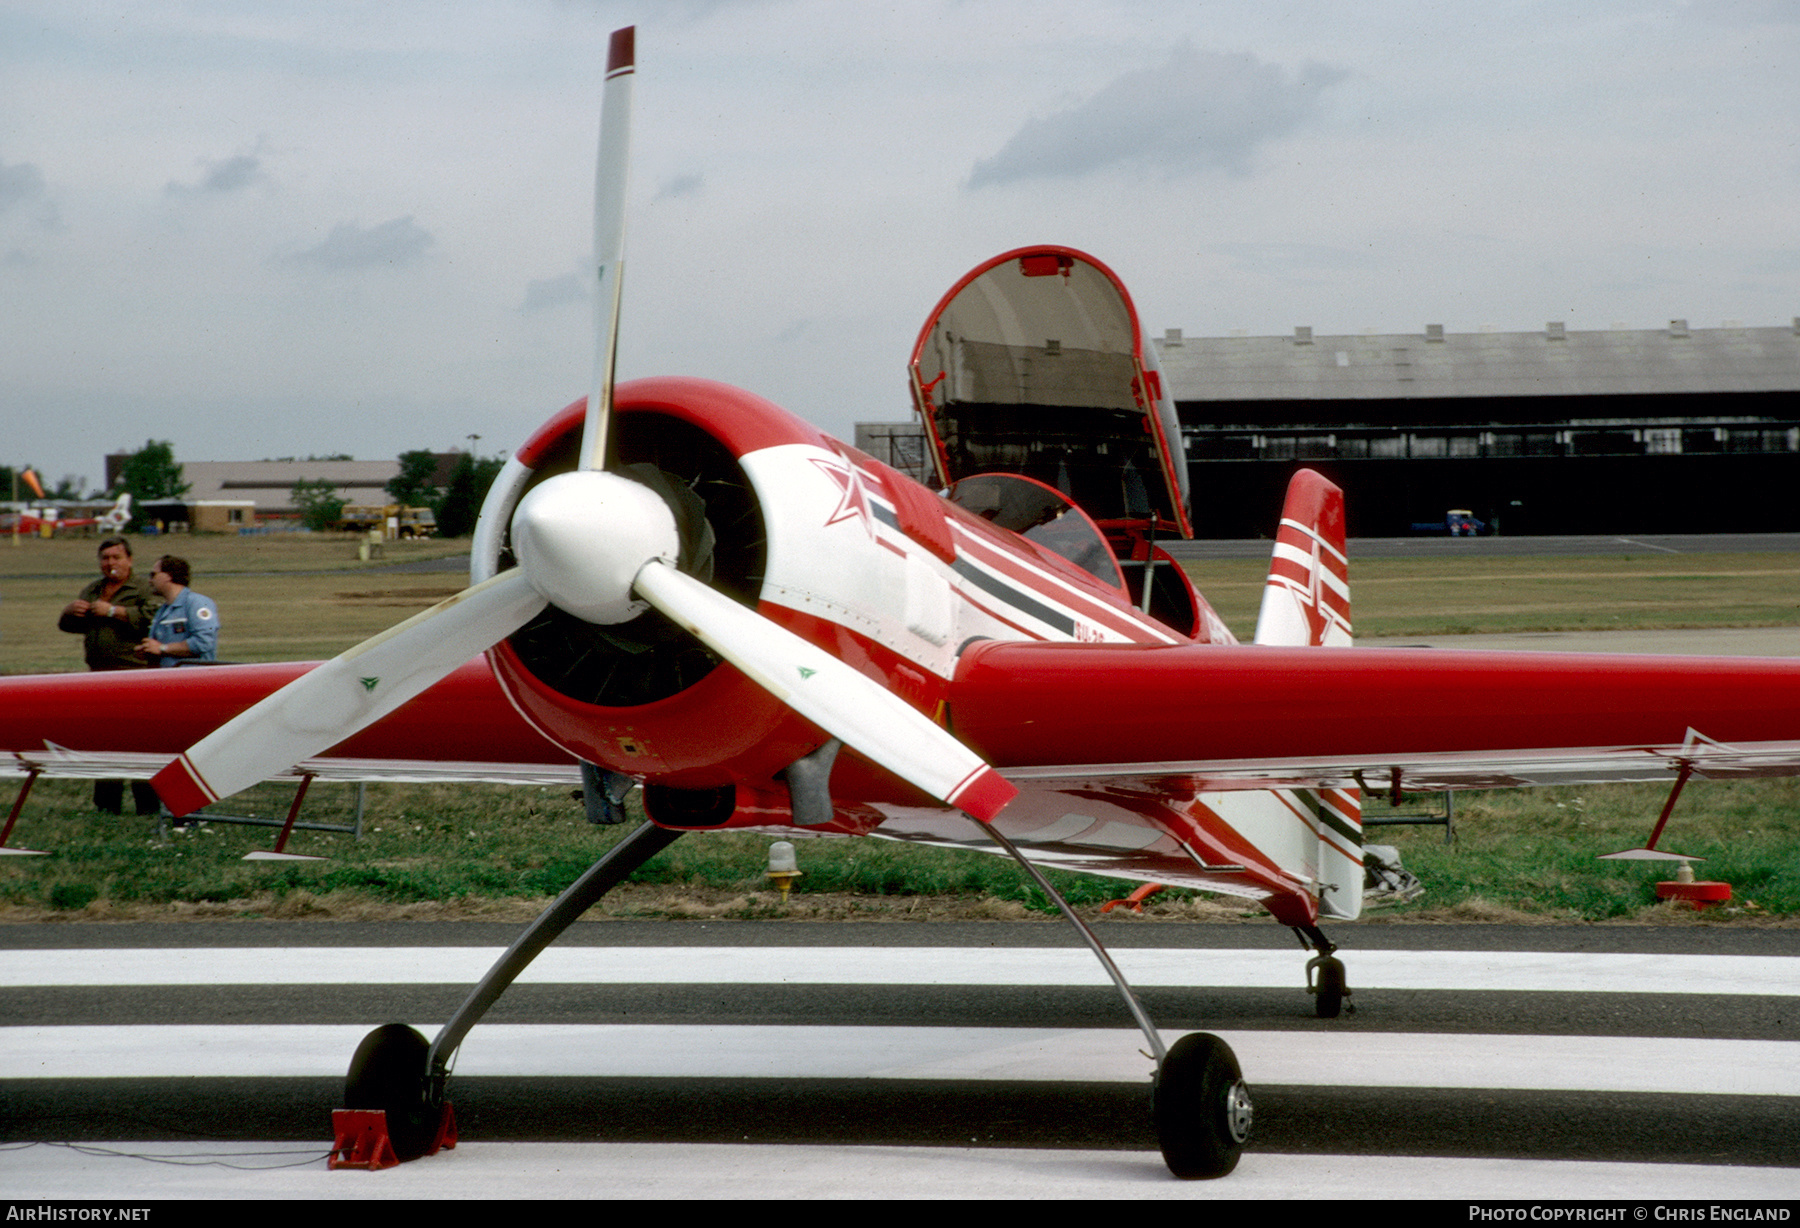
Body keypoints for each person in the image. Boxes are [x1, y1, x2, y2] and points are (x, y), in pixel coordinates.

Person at [57, 536, 160, 814]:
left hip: (134, 675)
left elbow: (155, 616)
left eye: (116, 557)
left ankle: (147, 805)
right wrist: (69, 612)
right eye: (105, 558)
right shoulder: (93, 589)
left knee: (139, 742)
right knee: (104, 740)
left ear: (129, 560)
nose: (110, 563)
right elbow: (70, 626)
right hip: (98, 677)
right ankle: (106, 805)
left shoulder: (142, 588)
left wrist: (113, 611)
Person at [138, 556, 219, 667]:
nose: (150, 581)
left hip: (193, 679)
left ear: (168, 576)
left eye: (153, 575)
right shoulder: (162, 611)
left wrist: (162, 648)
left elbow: (204, 642)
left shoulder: (198, 603)